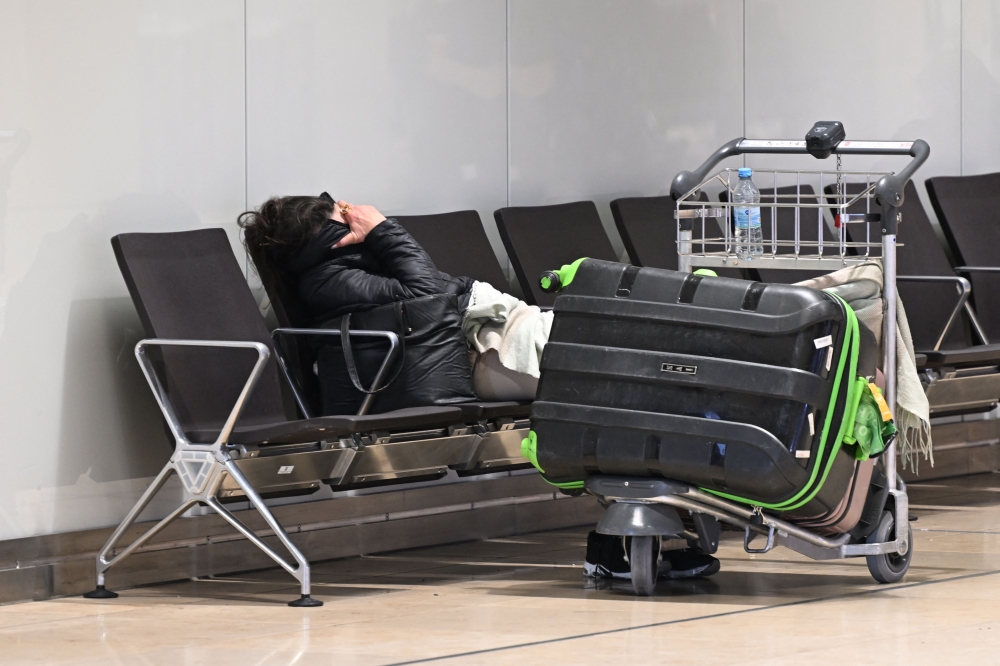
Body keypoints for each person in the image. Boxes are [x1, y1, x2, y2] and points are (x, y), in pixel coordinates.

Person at [238, 193, 721, 581]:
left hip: (504, 336)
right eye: (344, 215)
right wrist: (385, 231)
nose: (357, 216)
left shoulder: (347, 270)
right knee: (648, 358)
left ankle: (639, 539)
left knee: (652, 353)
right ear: (330, 234)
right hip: (498, 348)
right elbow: (429, 297)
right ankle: (631, 541)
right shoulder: (331, 279)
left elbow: (433, 296)